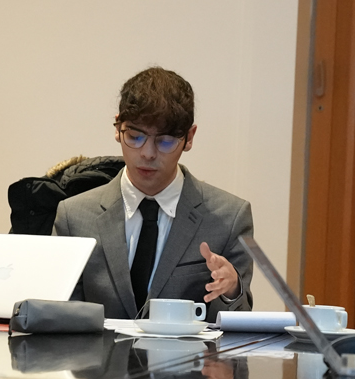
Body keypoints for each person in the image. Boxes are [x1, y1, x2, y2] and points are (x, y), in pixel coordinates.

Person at [53, 66, 253, 321]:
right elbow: (61, 318)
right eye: (135, 137)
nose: (147, 153)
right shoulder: (74, 217)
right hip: (97, 360)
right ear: (117, 128)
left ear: (189, 137)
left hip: (187, 361)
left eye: (165, 141)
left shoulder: (228, 218)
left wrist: (232, 289)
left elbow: (238, 329)